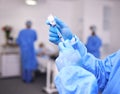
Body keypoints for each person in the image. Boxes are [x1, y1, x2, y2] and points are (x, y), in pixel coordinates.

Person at [46, 17, 120, 94]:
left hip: (95, 54)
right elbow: (102, 73)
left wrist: (72, 75)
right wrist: (70, 41)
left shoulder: (97, 39)